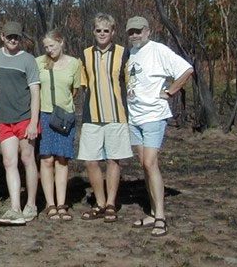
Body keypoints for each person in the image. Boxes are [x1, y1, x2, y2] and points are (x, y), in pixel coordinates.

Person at [125, 16, 193, 238]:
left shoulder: (158, 50)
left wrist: (171, 91)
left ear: (147, 31)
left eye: (138, 31)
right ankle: (153, 212)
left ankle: (161, 216)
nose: (134, 35)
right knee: (144, 165)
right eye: (131, 32)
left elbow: (186, 69)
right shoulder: (132, 53)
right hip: (134, 116)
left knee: (150, 162)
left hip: (154, 115)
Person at [0, 21, 41, 225]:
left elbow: (36, 93)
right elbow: (0, 87)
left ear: (21, 38)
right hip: (4, 118)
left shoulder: (28, 60)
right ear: (2, 37)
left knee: (28, 160)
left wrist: (33, 123)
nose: (13, 40)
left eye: (16, 37)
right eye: (9, 36)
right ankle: (14, 208)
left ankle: (30, 205)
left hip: (25, 117)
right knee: (9, 162)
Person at [77, 13, 132, 223]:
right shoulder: (85, 55)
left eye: (106, 30)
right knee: (90, 160)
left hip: (116, 115)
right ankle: (99, 202)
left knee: (113, 159)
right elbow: (82, 85)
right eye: (98, 30)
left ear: (113, 32)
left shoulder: (123, 53)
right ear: (93, 32)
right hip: (92, 116)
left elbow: (130, 83)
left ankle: (110, 204)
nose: (102, 34)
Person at [36, 30, 81, 221]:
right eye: (46, 47)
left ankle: (62, 204)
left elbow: (75, 90)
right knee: (46, 159)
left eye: (52, 46)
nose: (49, 50)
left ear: (61, 42)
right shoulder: (38, 63)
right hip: (45, 115)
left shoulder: (74, 64)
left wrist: (64, 108)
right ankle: (50, 204)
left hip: (64, 117)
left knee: (62, 160)